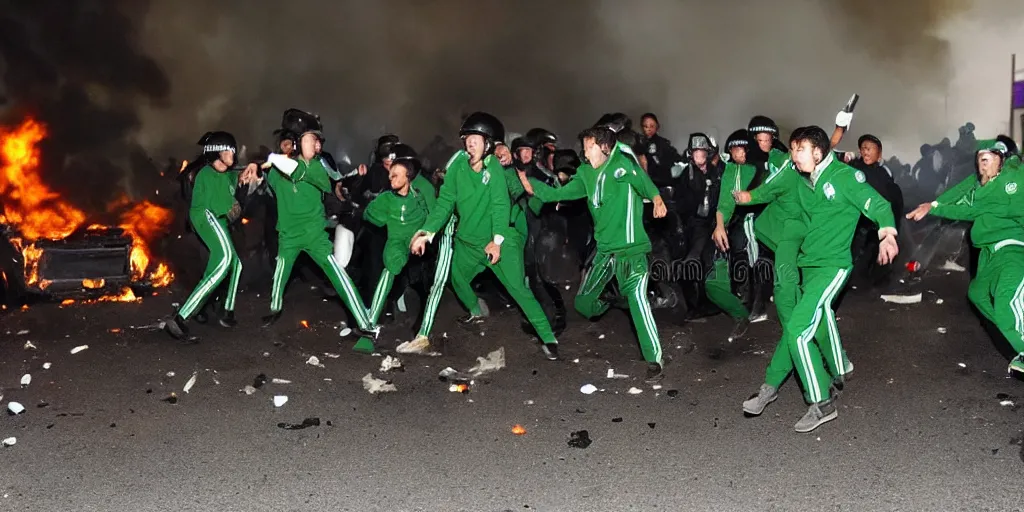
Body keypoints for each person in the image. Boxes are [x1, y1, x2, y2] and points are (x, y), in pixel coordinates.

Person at [740, 126, 898, 433]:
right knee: (812, 321)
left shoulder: (843, 177)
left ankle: (821, 402)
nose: (794, 156)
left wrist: (887, 234)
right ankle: (838, 368)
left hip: (832, 267)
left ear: (817, 152)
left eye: (799, 150)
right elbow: (771, 190)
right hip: (807, 265)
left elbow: (878, 204)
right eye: (793, 150)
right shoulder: (803, 178)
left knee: (798, 330)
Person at [518, 122, 670, 381]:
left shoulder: (621, 165)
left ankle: (654, 360)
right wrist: (530, 183)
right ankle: (614, 301)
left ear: (604, 148)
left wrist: (656, 199)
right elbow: (560, 193)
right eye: (584, 148)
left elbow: (644, 182)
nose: (585, 153)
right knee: (584, 304)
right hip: (605, 253)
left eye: (589, 147)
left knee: (637, 298)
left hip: (631, 251)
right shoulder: (586, 174)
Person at [409, 112, 561, 360]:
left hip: (499, 243)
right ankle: (476, 313)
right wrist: (427, 232)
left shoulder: (496, 170)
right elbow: (445, 202)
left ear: (489, 143)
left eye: (477, 139)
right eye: (468, 138)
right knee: (457, 279)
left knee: (519, 291)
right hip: (467, 243)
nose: (470, 143)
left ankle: (548, 338)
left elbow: (501, 205)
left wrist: (497, 241)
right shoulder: (458, 165)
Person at [239, 110, 378, 351]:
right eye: (311, 139)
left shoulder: (317, 168)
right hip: (287, 235)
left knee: (338, 275)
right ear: (294, 144)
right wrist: (254, 169)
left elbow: (296, 171)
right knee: (280, 273)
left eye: (317, 139)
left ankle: (366, 323)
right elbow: (259, 184)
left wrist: (268, 159)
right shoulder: (276, 171)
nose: (317, 143)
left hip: (314, 235)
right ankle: (274, 308)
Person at [906, 140, 1024, 374]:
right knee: (978, 293)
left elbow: (969, 209)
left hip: (1013, 248)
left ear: (1002, 159)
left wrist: (936, 208)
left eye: (987, 159)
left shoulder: (1010, 179)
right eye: (979, 159)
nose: (982, 164)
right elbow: (960, 192)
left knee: (1005, 301)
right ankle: (1014, 337)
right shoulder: (983, 182)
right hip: (989, 252)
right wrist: (934, 203)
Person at [164, 131, 244, 341]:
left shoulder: (228, 175)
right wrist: (233, 207)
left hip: (220, 221)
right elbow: (219, 206)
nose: (232, 155)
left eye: (233, 151)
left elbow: (241, 178)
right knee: (225, 260)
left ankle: (225, 311)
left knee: (234, 264)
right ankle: (181, 317)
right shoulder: (206, 174)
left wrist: (252, 172)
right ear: (216, 153)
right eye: (228, 150)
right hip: (206, 217)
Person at [362, 143, 432, 329]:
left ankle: (421, 321)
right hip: (396, 243)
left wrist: (425, 235)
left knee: (421, 281)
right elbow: (370, 214)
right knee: (391, 267)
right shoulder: (387, 198)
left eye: (395, 173)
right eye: (389, 171)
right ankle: (373, 317)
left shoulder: (420, 193)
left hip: (420, 243)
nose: (390, 177)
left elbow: (429, 214)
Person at [708, 129, 761, 338]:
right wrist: (720, 225)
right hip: (742, 220)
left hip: (765, 219)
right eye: (735, 149)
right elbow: (725, 203)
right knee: (740, 250)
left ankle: (759, 301)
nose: (739, 153)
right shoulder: (732, 170)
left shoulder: (759, 167)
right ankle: (744, 296)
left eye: (742, 149)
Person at [640, 113, 682, 187]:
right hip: (645, 182)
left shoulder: (663, 143)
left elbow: (676, 158)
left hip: (662, 183)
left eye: (652, 126)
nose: (648, 129)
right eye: (645, 126)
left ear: (657, 127)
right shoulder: (639, 143)